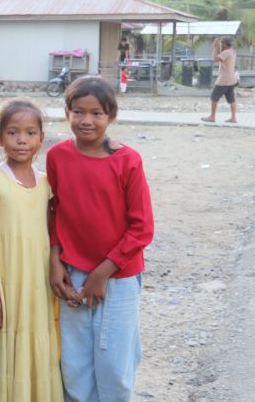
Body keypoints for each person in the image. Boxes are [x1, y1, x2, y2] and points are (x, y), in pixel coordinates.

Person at [47, 76, 154, 402]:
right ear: (67, 113)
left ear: (112, 116)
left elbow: (142, 228)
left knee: (114, 362)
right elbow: (55, 211)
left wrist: (102, 273)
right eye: (78, 111)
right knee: (75, 364)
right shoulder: (57, 156)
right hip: (73, 271)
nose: (87, 121)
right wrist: (55, 261)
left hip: (118, 275)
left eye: (96, 113)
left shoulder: (128, 161)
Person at [0, 99, 63, 402]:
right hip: (7, 279)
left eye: (30, 133)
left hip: (39, 282)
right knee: (6, 344)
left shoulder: (46, 183)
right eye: (13, 133)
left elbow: (52, 231)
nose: (22, 140)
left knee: (38, 340)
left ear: (41, 138)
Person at [202, 37, 238, 123]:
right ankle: (233, 118)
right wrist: (218, 48)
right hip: (231, 79)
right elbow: (220, 56)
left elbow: (215, 59)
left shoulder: (226, 52)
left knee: (214, 97)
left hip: (223, 79)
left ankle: (212, 116)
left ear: (225, 44)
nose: (221, 45)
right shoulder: (232, 51)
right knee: (231, 99)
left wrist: (215, 47)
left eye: (222, 44)